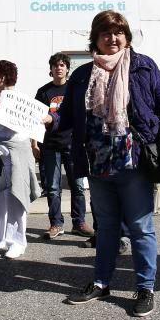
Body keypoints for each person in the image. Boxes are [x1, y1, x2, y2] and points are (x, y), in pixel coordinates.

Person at [58, 10, 160, 318]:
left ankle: (145, 287)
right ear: (95, 39)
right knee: (106, 227)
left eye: (118, 32)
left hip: (134, 161)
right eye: (106, 33)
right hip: (97, 164)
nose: (113, 37)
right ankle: (100, 281)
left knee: (140, 227)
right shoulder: (82, 75)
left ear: (127, 36)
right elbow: (66, 115)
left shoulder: (143, 66)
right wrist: (48, 119)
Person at [0, 60, 41, 259]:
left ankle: (17, 241)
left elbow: (16, 128)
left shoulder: (16, 100)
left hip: (16, 153)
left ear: (1, 78)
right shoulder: (0, 101)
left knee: (16, 198)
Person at [35, 52, 92, 240]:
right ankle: (56, 224)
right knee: (52, 187)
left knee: (77, 186)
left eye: (62, 65)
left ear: (67, 68)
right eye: (55, 65)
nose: (59, 68)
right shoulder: (43, 92)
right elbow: (34, 120)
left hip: (73, 144)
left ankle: (79, 223)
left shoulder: (74, 89)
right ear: (50, 69)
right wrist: (35, 144)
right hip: (50, 145)